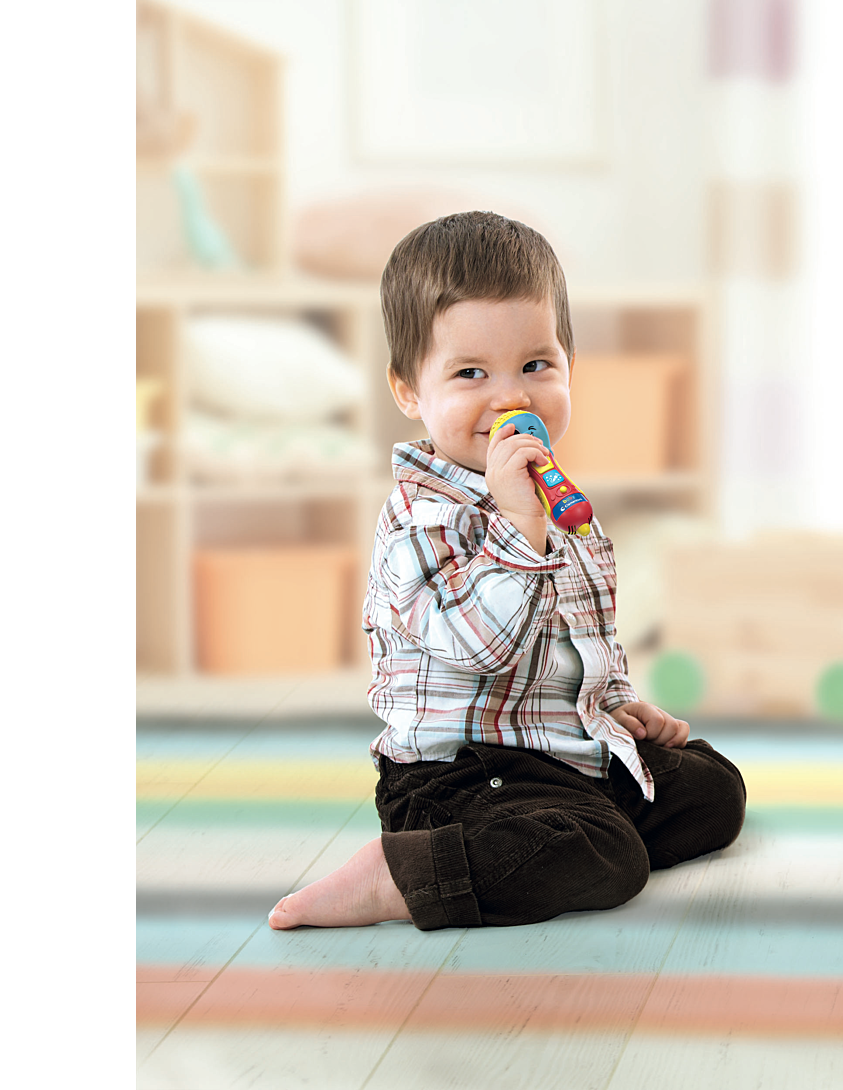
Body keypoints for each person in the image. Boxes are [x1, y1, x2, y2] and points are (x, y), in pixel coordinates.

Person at [269, 212, 745, 932]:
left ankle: (578, 823)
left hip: (559, 751)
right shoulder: (421, 520)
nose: (511, 398)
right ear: (408, 390)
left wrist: (616, 704)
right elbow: (480, 648)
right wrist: (519, 530)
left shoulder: (556, 498)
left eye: (535, 365)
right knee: (607, 857)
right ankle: (403, 873)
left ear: (569, 366)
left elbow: (586, 629)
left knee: (713, 791)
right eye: (470, 373)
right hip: (456, 778)